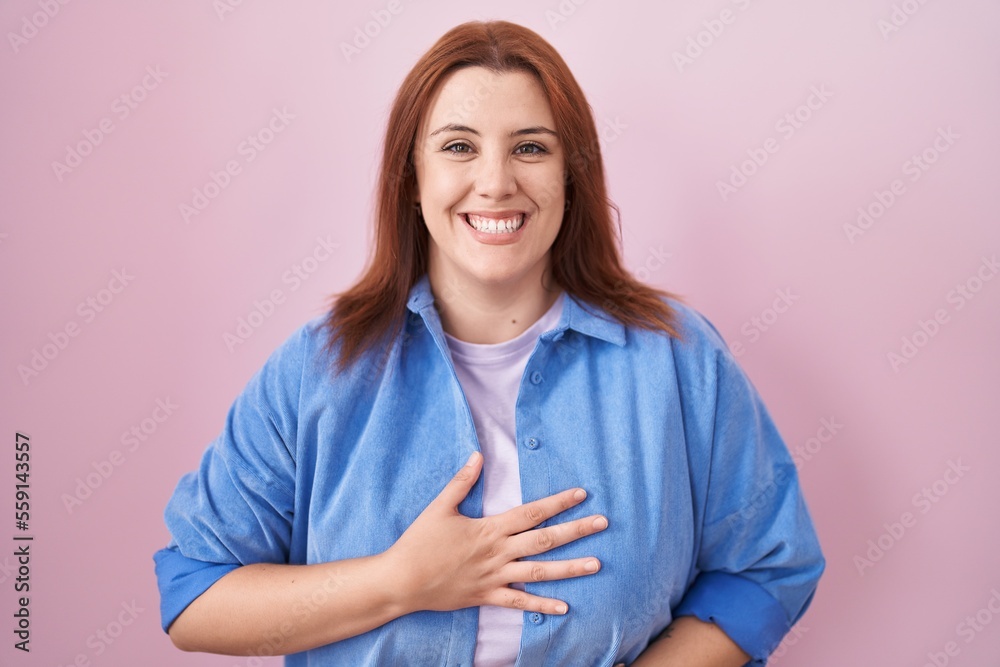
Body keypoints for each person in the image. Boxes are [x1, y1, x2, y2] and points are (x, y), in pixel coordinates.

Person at [154, 19, 825, 667]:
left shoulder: (677, 359)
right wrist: (398, 579)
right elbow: (193, 597)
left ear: (570, 175)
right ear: (412, 180)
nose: (496, 181)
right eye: (458, 146)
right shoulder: (319, 369)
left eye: (530, 147)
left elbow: (767, 569)